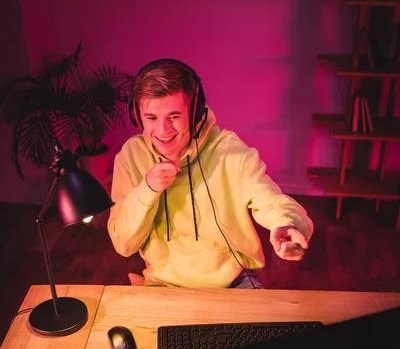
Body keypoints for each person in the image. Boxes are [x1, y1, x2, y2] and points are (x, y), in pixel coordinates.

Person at [107, 59, 314, 288]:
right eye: (152, 118)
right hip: (162, 284)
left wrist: (288, 224)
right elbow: (123, 243)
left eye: (174, 117)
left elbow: (271, 201)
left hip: (232, 282)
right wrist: (147, 189)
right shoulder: (130, 156)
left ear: (195, 112)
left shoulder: (230, 151)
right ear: (137, 116)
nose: (163, 131)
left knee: (264, 324)